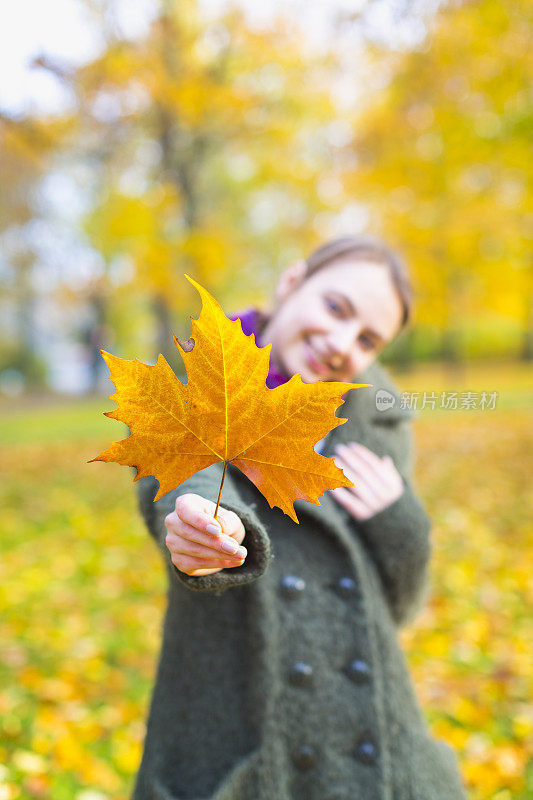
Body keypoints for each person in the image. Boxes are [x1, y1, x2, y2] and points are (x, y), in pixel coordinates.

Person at [132, 235, 467, 800]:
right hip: (237, 724)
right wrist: (210, 525)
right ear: (291, 283)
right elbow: (175, 484)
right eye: (336, 307)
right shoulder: (191, 382)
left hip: (372, 729)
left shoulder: (377, 420)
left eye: (368, 339)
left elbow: (402, 607)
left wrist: (399, 521)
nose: (341, 344)